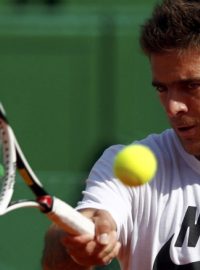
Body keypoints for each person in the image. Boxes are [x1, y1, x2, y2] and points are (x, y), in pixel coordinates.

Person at [42, 0, 200, 269]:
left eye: (191, 85)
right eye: (162, 89)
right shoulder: (122, 166)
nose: (173, 107)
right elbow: (61, 244)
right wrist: (78, 240)